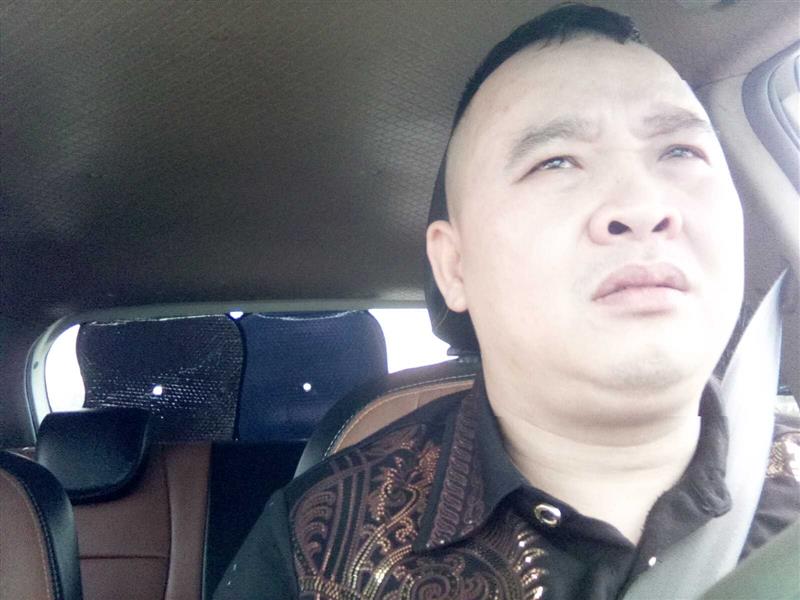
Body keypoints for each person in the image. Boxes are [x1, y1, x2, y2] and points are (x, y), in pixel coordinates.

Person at [214, 4, 799, 598]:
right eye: (555, 161)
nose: (645, 205)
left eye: (680, 152)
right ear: (454, 266)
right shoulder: (315, 548)